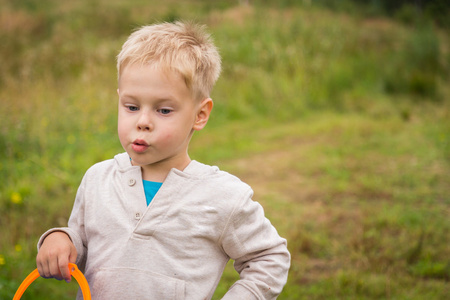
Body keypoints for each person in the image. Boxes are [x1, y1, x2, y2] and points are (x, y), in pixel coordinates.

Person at [36, 21, 290, 299]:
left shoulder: (223, 197)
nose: (143, 122)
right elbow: (83, 246)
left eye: (164, 110)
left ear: (200, 114)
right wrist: (59, 239)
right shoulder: (97, 179)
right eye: (131, 107)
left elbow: (269, 257)